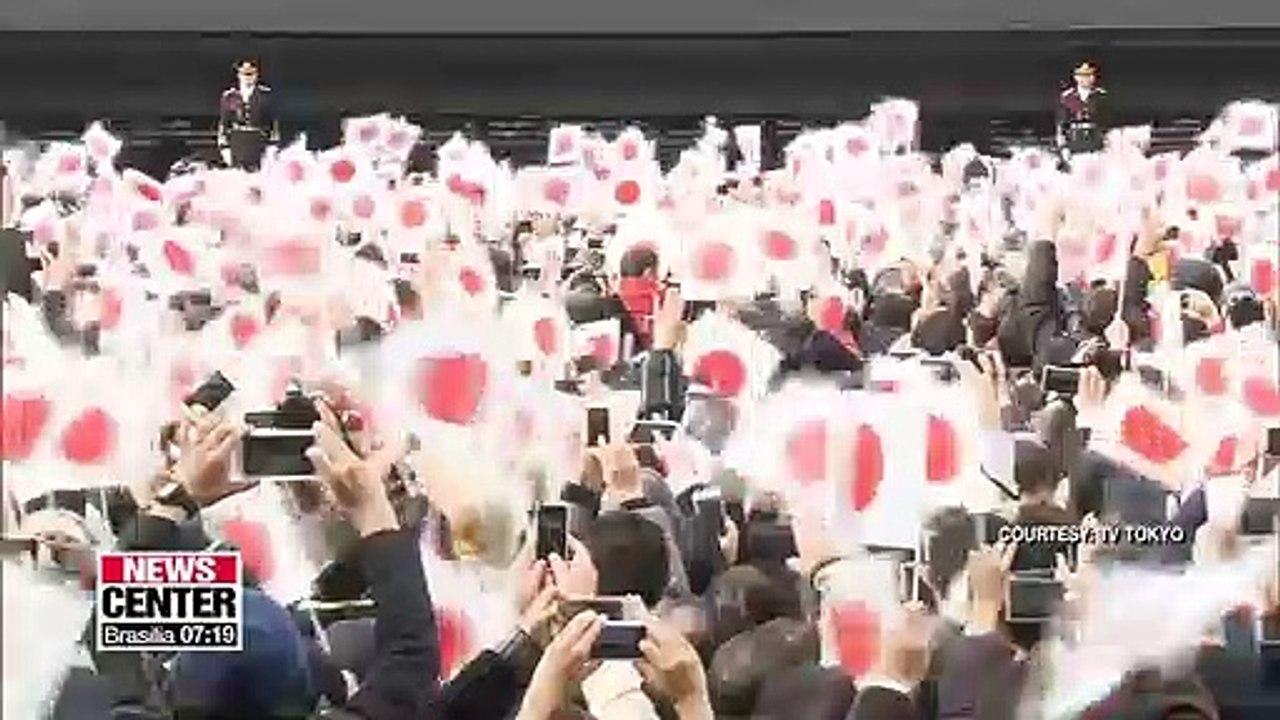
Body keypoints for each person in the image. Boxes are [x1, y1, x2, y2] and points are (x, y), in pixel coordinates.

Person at [217, 60, 280, 171]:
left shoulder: (266, 95)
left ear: (256, 75)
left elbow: (273, 124)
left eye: (251, 74)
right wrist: (224, 148)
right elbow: (224, 124)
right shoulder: (229, 96)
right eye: (244, 74)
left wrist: (272, 147)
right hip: (237, 144)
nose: (248, 77)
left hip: (259, 144)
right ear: (238, 75)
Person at [1055, 62, 1108, 160]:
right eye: (1082, 75)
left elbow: (1107, 124)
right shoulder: (1067, 97)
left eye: (1089, 75)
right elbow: (1061, 126)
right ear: (1076, 77)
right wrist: (1063, 147)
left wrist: (1107, 146)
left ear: (1094, 77)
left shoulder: (1101, 96)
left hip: (1096, 146)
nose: (1086, 78)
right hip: (1074, 144)